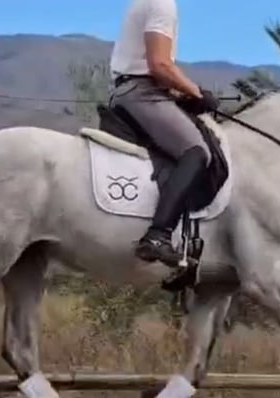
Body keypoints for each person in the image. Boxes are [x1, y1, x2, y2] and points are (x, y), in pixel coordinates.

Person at [108, 0, 220, 268]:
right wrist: (197, 93)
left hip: (135, 89)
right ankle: (158, 235)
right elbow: (159, 64)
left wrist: (181, 94)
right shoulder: (162, 4)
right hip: (141, 93)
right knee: (196, 152)